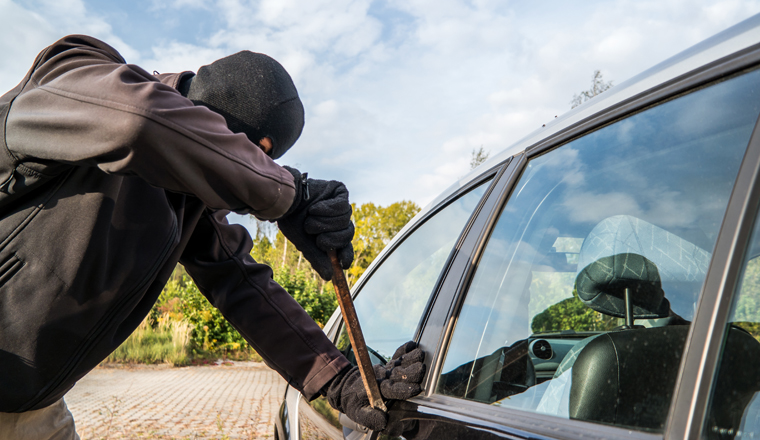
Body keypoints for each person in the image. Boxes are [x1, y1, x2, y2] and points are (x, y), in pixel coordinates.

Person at [0, 35, 424, 439]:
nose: (255, 168)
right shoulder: (73, 69)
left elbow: (241, 284)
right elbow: (138, 123)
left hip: (30, 407)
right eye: (257, 155)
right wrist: (291, 194)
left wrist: (339, 378)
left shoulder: (188, 202)